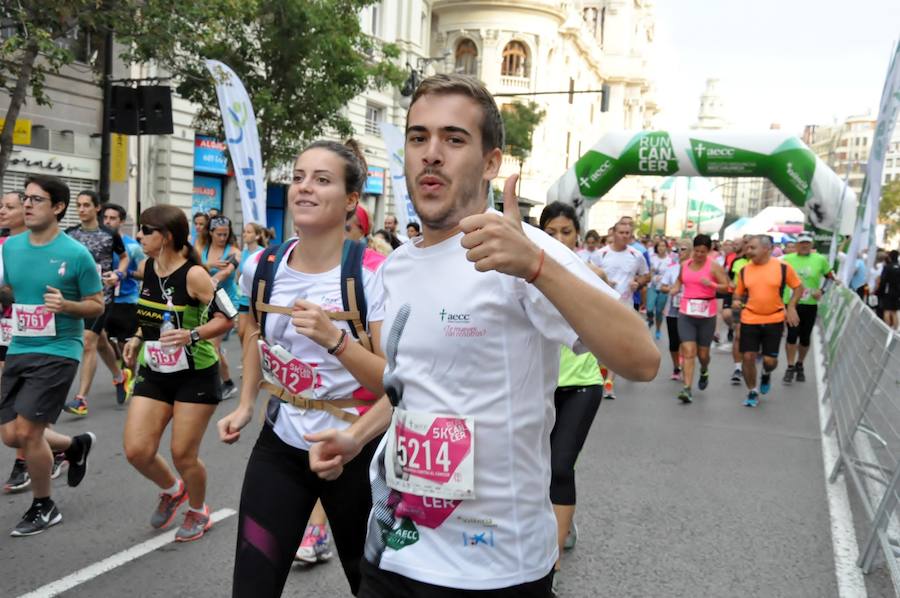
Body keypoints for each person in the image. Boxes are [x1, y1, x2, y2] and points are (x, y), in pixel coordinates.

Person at [303, 73, 659, 598]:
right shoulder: (395, 268)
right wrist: (356, 437)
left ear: (491, 163)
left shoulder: (524, 250)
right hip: (396, 552)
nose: (431, 154)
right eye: (419, 138)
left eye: (454, 139)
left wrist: (537, 267)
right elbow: (410, 385)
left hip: (495, 569)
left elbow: (642, 359)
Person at [216, 139, 388, 597]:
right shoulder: (263, 265)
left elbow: (396, 385)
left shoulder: (373, 275)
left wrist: (336, 341)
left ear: (352, 200)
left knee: (370, 585)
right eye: (298, 177)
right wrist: (247, 402)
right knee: (252, 585)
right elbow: (252, 332)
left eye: (322, 179)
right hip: (282, 444)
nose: (304, 188)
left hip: (357, 448)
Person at [122, 205, 234, 542]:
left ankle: (198, 510)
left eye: (146, 230)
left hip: (195, 373)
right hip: (155, 369)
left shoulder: (194, 275)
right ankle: (173, 490)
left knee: (183, 453)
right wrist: (138, 337)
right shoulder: (147, 267)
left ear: (167, 236)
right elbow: (152, 317)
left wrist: (192, 335)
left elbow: (228, 316)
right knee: (137, 450)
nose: (139, 236)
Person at [0, 175, 102, 536]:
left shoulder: (76, 254)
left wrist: (66, 305)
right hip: (19, 345)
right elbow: (12, 290)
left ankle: (44, 505)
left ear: (57, 207)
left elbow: (96, 304)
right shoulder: (10, 247)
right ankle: (74, 446)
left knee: (28, 432)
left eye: (36, 200)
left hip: (59, 349)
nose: (27, 205)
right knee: (11, 435)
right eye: (25, 198)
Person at [539, 201, 605, 580]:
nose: (559, 239)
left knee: (560, 465)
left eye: (566, 232)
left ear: (577, 235)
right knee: (538, 466)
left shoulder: (590, 274)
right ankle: (559, 521)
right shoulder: (521, 271)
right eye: (551, 232)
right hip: (539, 386)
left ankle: (553, 560)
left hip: (582, 384)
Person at [63, 191, 130, 415]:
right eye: (78, 205)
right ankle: (120, 376)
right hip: (75, 297)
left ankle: (81, 399)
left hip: (101, 296)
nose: (81, 209)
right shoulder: (69, 234)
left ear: (96, 208)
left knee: (88, 342)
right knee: (101, 342)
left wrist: (118, 275)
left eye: (86, 205)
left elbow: (124, 257)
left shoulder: (109, 234)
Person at [733, 235, 801, 407]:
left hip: (774, 318)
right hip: (750, 318)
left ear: (766, 249)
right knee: (748, 356)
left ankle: (766, 373)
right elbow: (738, 293)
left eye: (752, 248)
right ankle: (752, 391)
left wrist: (791, 306)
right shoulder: (745, 270)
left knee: (770, 361)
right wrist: (736, 303)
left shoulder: (783, 268)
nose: (748, 251)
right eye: (747, 247)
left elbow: (799, 287)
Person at [589, 219, 650, 400]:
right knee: (601, 344)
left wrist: (637, 282)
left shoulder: (636, 255)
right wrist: (603, 282)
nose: (624, 236)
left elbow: (646, 275)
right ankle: (602, 373)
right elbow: (588, 275)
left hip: (625, 304)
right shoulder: (601, 254)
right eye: (621, 232)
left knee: (616, 344)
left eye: (627, 233)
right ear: (613, 234)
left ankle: (609, 382)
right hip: (603, 304)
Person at [668, 234, 729, 404]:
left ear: (709, 251)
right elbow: (679, 281)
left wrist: (713, 285)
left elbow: (727, 287)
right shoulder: (685, 265)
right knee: (688, 351)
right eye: (696, 251)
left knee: (703, 354)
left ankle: (704, 369)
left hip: (706, 314)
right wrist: (674, 289)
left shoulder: (714, 267)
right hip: (686, 313)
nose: (699, 255)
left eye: (703, 252)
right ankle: (687, 389)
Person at [101, 203, 146, 397]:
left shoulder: (132, 247)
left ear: (121, 221)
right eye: (106, 218)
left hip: (126, 300)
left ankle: (132, 377)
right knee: (100, 339)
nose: (108, 221)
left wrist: (123, 274)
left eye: (112, 218)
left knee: (125, 343)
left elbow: (143, 272)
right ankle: (120, 368)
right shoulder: (98, 242)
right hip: (102, 300)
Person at [781, 233, 832, 384]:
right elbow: (779, 279)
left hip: (809, 304)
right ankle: (790, 367)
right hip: (791, 303)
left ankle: (800, 363)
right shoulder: (787, 260)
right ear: (797, 245)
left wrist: (821, 291)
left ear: (811, 245)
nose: (804, 246)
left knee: (804, 338)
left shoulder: (820, 259)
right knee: (791, 335)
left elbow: (830, 277)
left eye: (807, 243)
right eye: (802, 243)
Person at [202, 216, 241, 400]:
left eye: (226, 234)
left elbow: (229, 269)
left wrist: (216, 278)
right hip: (206, 299)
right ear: (210, 233)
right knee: (209, 345)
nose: (223, 237)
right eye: (219, 234)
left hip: (226, 300)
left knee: (212, 344)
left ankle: (221, 384)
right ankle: (226, 382)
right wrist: (209, 265)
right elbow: (193, 264)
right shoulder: (202, 249)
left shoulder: (233, 251)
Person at [659, 240, 691, 381]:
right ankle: (676, 366)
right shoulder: (672, 268)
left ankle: (686, 366)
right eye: (678, 249)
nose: (680, 252)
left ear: (691, 251)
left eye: (683, 249)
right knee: (674, 342)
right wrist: (673, 289)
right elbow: (663, 287)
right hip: (673, 309)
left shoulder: (694, 268)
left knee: (686, 340)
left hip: (689, 308)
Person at [237, 222, 267, 343]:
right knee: (241, 333)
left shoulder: (263, 253)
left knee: (254, 334)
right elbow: (239, 275)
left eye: (249, 232)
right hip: (243, 298)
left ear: (257, 236)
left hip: (256, 299)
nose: (245, 234)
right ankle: (246, 357)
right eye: (244, 231)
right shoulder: (242, 253)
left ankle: (250, 359)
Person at [647, 239, 674, 340]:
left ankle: (658, 329)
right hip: (652, 286)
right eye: (659, 246)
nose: (661, 248)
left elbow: (672, 274)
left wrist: (664, 279)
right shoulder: (652, 258)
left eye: (663, 246)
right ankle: (650, 319)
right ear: (656, 248)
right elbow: (647, 272)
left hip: (664, 288)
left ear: (666, 247)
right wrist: (652, 274)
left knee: (659, 311)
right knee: (649, 308)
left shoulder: (670, 260)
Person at [876, 250, 900, 329]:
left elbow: (883, 281)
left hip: (888, 291)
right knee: (894, 311)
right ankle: (895, 330)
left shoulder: (887, 267)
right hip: (897, 293)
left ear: (890, 257)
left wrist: (879, 291)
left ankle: (887, 329)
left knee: (887, 310)